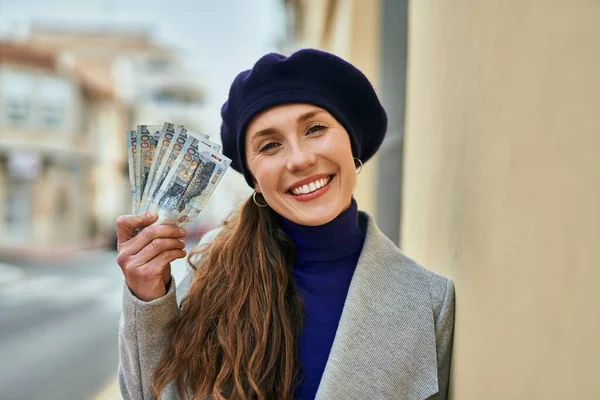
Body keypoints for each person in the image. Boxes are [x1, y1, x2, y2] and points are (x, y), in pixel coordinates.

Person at [116, 49, 455, 400]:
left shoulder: (429, 301)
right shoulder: (208, 272)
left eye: (316, 128)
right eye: (270, 145)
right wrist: (148, 298)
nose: (300, 159)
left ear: (352, 142)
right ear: (255, 180)